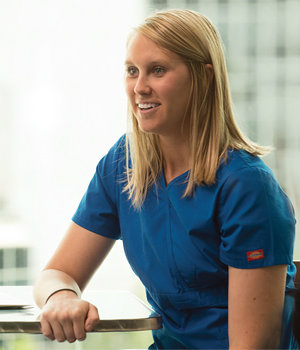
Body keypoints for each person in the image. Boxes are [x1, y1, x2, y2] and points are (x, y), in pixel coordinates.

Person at [33, 9, 298, 349]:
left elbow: (251, 346)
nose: (140, 88)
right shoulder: (123, 165)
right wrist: (60, 297)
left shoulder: (246, 187)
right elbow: (57, 273)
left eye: (157, 70)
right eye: (132, 71)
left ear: (204, 78)